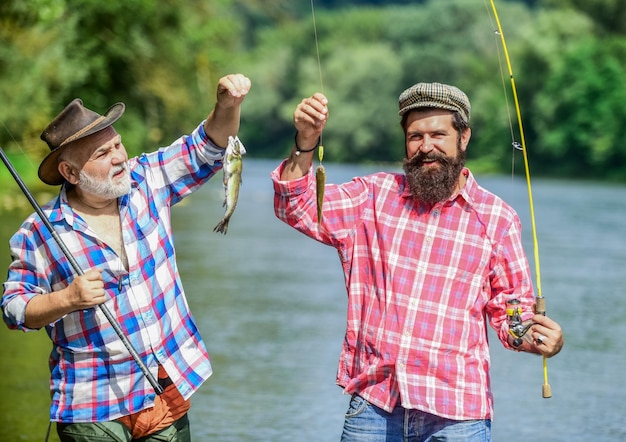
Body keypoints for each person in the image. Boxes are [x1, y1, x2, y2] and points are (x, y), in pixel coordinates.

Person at [271, 82, 564, 441]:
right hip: (374, 409)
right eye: (415, 136)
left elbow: (510, 314)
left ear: (464, 137)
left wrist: (535, 337)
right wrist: (305, 142)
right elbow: (294, 206)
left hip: (459, 416)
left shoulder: (498, 219)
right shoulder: (372, 198)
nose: (426, 147)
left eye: (438, 134)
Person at [1, 73, 251, 441]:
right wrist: (66, 299)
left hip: (164, 386)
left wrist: (227, 106)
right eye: (102, 154)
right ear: (70, 172)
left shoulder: (147, 179)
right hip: (91, 404)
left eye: (117, 145)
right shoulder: (38, 232)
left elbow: (208, 146)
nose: (119, 157)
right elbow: (13, 308)